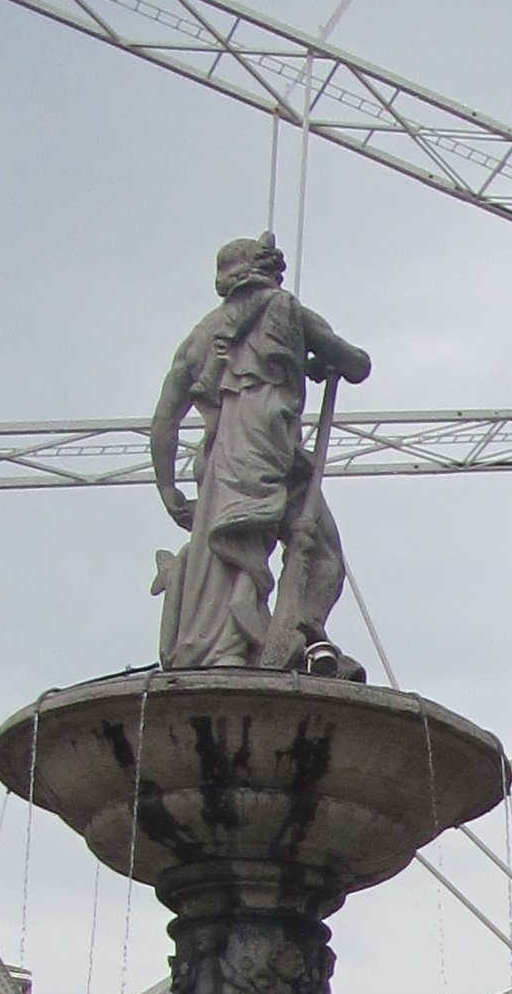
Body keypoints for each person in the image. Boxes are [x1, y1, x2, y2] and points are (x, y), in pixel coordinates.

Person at [148, 233, 371, 673]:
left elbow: (164, 421)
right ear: (268, 270)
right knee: (322, 554)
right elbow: (358, 364)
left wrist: (168, 488)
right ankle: (302, 632)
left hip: (223, 464)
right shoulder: (287, 311)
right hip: (277, 455)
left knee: (230, 559)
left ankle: (243, 645)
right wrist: (319, 361)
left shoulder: (199, 339)